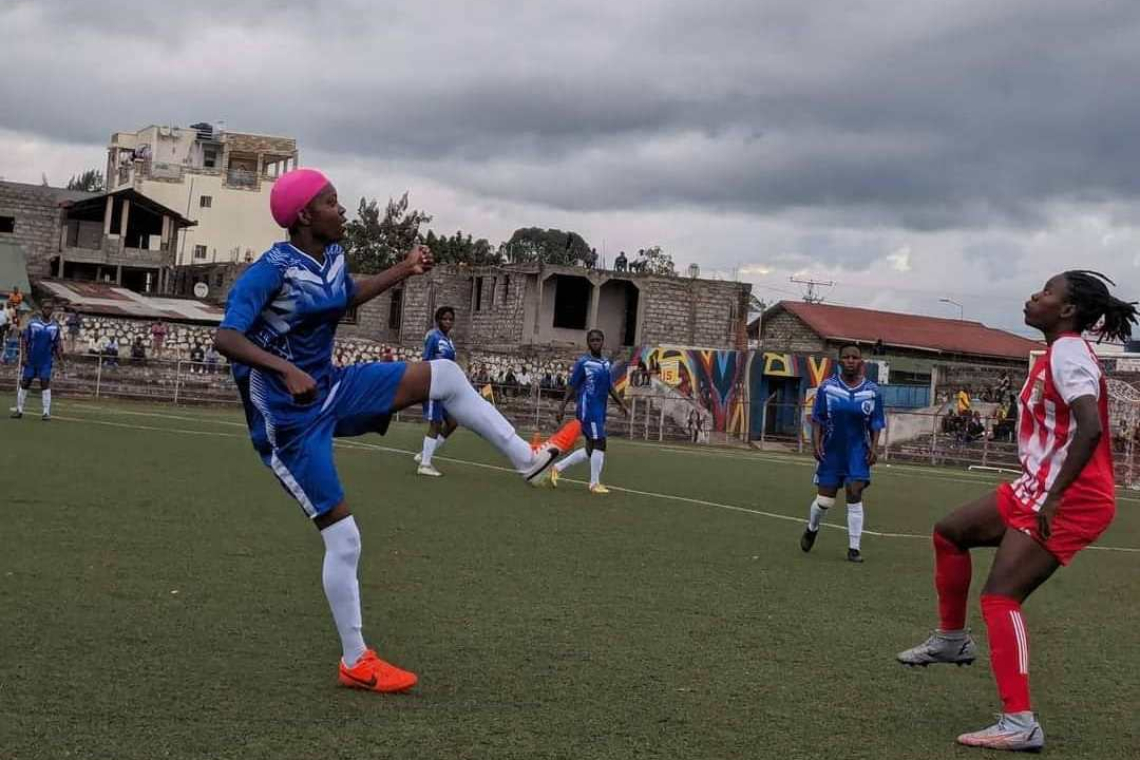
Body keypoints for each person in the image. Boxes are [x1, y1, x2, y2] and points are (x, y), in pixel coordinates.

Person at [213, 168, 580, 696]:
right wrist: (283, 369)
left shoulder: (332, 256)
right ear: (302, 216)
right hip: (287, 422)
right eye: (332, 203)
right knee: (344, 539)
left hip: (331, 387)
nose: (343, 210)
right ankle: (356, 659)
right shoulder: (267, 273)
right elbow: (227, 337)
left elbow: (345, 299)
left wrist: (404, 270)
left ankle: (529, 460)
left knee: (446, 377)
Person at [896, 271, 1136, 752]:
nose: (1034, 296)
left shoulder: (1068, 353)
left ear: (1067, 310)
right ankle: (951, 640)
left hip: (1070, 499)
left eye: (1047, 292)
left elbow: (1090, 428)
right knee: (949, 533)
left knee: (1000, 598)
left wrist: (1054, 497)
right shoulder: (1056, 353)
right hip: (1037, 487)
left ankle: (1020, 721)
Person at [799, 344, 885, 563]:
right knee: (825, 502)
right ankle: (812, 528)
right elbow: (818, 418)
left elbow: (876, 423)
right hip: (832, 450)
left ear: (861, 362)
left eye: (854, 357)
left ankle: (853, 549)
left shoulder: (872, 391)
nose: (850, 360)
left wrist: (874, 447)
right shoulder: (827, 388)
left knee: (854, 492)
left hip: (857, 450)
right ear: (839, 362)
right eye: (845, 357)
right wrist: (815, 443)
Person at [552, 329, 630, 494]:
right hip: (588, 409)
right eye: (592, 340)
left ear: (603, 342)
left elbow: (609, 386)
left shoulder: (606, 363)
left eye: (598, 340)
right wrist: (562, 407)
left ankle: (557, 468)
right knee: (600, 443)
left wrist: (621, 403)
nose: (595, 343)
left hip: (600, 409)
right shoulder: (583, 363)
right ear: (588, 343)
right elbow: (571, 385)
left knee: (590, 449)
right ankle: (594, 484)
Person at [413, 306, 459, 477]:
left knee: (453, 423)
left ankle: (424, 455)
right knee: (436, 424)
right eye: (444, 319)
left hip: (446, 389)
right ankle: (425, 464)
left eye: (450, 319)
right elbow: (426, 361)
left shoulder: (449, 340)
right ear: (438, 320)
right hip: (434, 386)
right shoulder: (433, 338)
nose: (448, 322)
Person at [11, 299, 62, 421]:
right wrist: (23, 356)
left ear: (52, 310)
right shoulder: (33, 324)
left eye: (50, 308)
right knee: (25, 383)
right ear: (41, 309)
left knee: (45, 383)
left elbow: (57, 345)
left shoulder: (55, 327)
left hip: (45, 361)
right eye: (45, 307)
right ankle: (19, 410)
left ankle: (46, 413)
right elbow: (25, 341)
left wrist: (61, 360)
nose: (47, 310)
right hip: (31, 360)